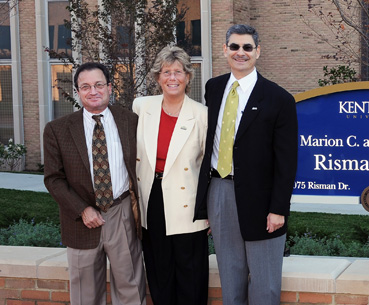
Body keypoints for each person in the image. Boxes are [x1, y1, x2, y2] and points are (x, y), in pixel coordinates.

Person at [193, 24, 298, 305]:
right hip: (219, 191)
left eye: (247, 47)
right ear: (225, 50)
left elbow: (287, 162)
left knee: (264, 285)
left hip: (262, 201)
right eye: (235, 47)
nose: (241, 53)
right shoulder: (213, 88)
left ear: (258, 52)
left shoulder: (279, 99)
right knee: (230, 276)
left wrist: (278, 209)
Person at [43, 62, 146, 305]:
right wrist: (82, 209)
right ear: (78, 91)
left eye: (99, 84)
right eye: (86, 86)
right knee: (85, 295)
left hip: (121, 213)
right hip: (81, 220)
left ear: (110, 87)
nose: (93, 91)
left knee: (130, 287)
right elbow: (53, 179)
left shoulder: (130, 121)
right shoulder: (57, 130)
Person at [132, 46, 209, 305]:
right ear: (158, 77)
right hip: (152, 197)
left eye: (178, 71)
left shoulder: (202, 114)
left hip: (188, 201)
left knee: (190, 272)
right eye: (166, 72)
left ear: (188, 76)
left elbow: (208, 165)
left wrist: (207, 210)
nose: (172, 77)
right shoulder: (142, 107)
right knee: (159, 268)